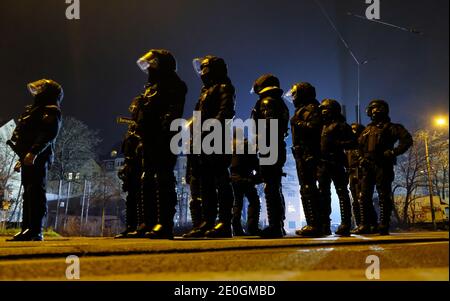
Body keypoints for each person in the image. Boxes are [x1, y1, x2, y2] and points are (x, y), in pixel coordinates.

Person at [135, 49, 187, 239]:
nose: (149, 68)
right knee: (146, 178)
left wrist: (165, 131)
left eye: (153, 64)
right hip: (148, 138)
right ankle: (146, 223)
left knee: (163, 178)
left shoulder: (175, 84)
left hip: (164, 137)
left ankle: (164, 224)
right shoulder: (151, 87)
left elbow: (174, 111)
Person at [7, 79, 63, 241]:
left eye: (42, 88)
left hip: (39, 156)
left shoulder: (52, 110)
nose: (38, 90)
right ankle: (27, 229)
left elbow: (48, 134)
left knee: (36, 192)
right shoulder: (33, 110)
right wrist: (22, 157)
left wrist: (34, 152)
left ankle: (36, 230)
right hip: (27, 156)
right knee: (28, 193)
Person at [191, 55, 236, 238]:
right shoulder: (205, 91)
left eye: (205, 69)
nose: (202, 73)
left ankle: (224, 223)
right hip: (203, 140)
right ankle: (207, 221)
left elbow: (226, 112)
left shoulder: (224, 87)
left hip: (217, 138)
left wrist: (208, 131)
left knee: (221, 180)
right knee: (206, 183)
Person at [356, 100, 413, 235]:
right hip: (367, 165)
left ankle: (383, 224)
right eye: (371, 109)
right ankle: (366, 224)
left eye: (375, 109)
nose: (373, 112)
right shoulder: (366, 130)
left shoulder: (392, 127)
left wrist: (393, 152)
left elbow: (407, 140)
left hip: (383, 164)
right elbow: (358, 147)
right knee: (364, 196)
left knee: (383, 195)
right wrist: (360, 158)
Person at [251, 74, 289, 238]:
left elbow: (268, 126)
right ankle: (278, 224)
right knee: (274, 186)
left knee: (270, 187)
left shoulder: (266, 102)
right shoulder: (279, 102)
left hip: (270, 147)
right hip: (276, 146)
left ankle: (275, 226)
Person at [285, 82, 323, 237]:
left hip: (310, 154)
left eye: (294, 94)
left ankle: (315, 224)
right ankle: (312, 223)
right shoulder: (303, 110)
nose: (292, 98)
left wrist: (298, 123)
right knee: (305, 189)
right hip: (302, 154)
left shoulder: (312, 110)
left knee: (309, 189)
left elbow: (315, 128)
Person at [317, 99, 356, 236]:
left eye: (325, 109)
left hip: (337, 162)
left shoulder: (341, 126)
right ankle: (324, 224)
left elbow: (353, 142)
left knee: (342, 193)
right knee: (323, 195)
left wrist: (339, 144)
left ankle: (346, 224)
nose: (323, 112)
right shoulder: (321, 126)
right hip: (322, 164)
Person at [115, 100, 143, 239]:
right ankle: (130, 226)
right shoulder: (131, 129)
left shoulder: (142, 127)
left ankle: (140, 226)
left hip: (140, 166)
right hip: (131, 166)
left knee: (140, 198)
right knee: (131, 198)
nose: (132, 111)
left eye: (135, 109)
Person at [347, 123, 378, 233]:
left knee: (364, 199)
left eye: (355, 130)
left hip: (363, 172)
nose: (353, 132)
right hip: (352, 173)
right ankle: (361, 224)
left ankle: (370, 224)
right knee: (356, 201)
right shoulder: (349, 147)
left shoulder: (365, 144)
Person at [230, 137, 262, 236]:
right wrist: (256, 179)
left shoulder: (235, 148)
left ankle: (236, 229)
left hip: (234, 179)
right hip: (245, 179)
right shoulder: (250, 150)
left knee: (237, 204)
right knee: (254, 202)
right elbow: (258, 167)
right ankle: (252, 228)